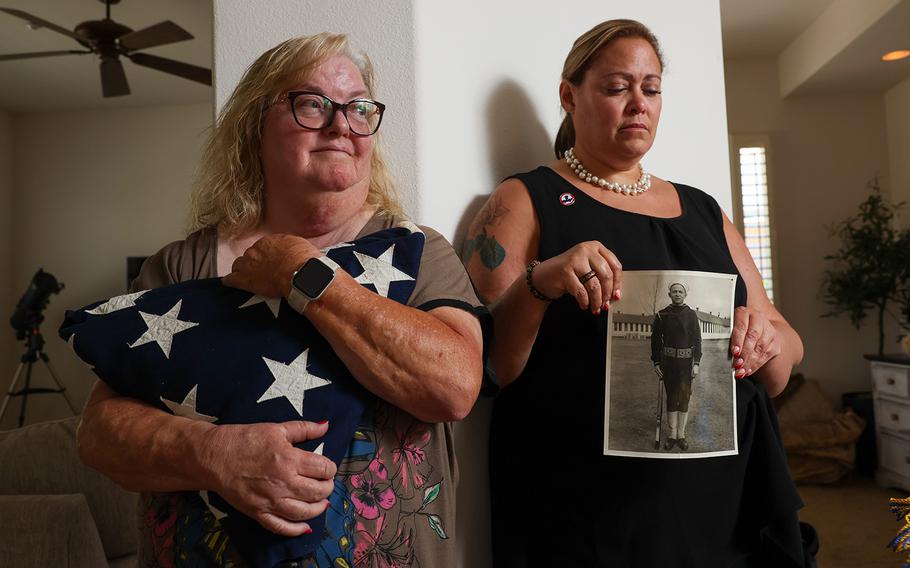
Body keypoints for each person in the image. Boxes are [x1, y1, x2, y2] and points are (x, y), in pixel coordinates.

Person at [76, 33, 485, 567]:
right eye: (313, 103)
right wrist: (212, 454)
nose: (343, 124)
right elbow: (99, 435)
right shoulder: (182, 266)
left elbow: (453, 387)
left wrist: (303, 274)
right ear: (255, 126)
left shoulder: (418, 253)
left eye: (359, 108)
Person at [463, 19, 809, 567]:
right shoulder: (526, 199)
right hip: (587, 512)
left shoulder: (702, 210)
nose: (638, 104)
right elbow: (484, 367)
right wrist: (539, 282)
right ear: (568, 96)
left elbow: (784, 353)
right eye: (617, 87)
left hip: (722, 501)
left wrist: (767, 340)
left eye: (650, 89)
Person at [651, 282, 702, 451]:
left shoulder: (691, 315)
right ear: (670, 294)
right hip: (669, 364)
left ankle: (681, 434)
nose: (678, 294)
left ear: (685, 294)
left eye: (681, 291)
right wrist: (657, 362)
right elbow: (656, 341)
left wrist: (696, 363)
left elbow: (697, 341)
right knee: (672, 398)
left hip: (686, 364)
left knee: (684, 398)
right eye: (674, 291)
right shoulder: (662, 315)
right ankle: (672, 435)